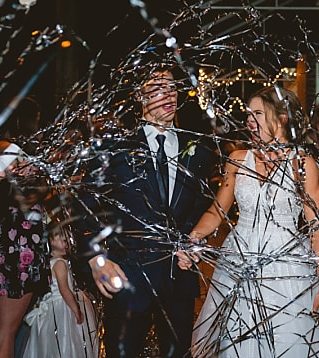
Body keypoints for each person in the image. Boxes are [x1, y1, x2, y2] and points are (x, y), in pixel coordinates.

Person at [181, 88, 319, 358]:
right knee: (237, 340)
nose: (250, 120)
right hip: (239, 263)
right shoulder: (238, 160)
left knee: (287, 339)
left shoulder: (302, 163)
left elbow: (317, 229)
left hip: (287, 268)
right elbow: (217, 211)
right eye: (248, 114)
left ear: (282, 118)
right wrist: (193, 239)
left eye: (258, 114)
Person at [82, 70, 219, 358]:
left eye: (172, 87)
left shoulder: (197, 150)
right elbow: (86, 204)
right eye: (158, 87)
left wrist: (196, 245)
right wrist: (96, 259)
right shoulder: (114, 146)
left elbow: (201, 210)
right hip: (128, 276)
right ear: (139, 97)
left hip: (179, 280)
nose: (169, 93)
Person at [23, 225, 99, 358]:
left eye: (69, 241)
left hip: (54, 305)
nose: (67, 244)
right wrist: (76, 310)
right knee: (67, 341)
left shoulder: (49, 262)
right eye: (64, 241)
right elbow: (64, 290)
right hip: (63, 307)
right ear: (51, 240)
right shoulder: (60, 263)